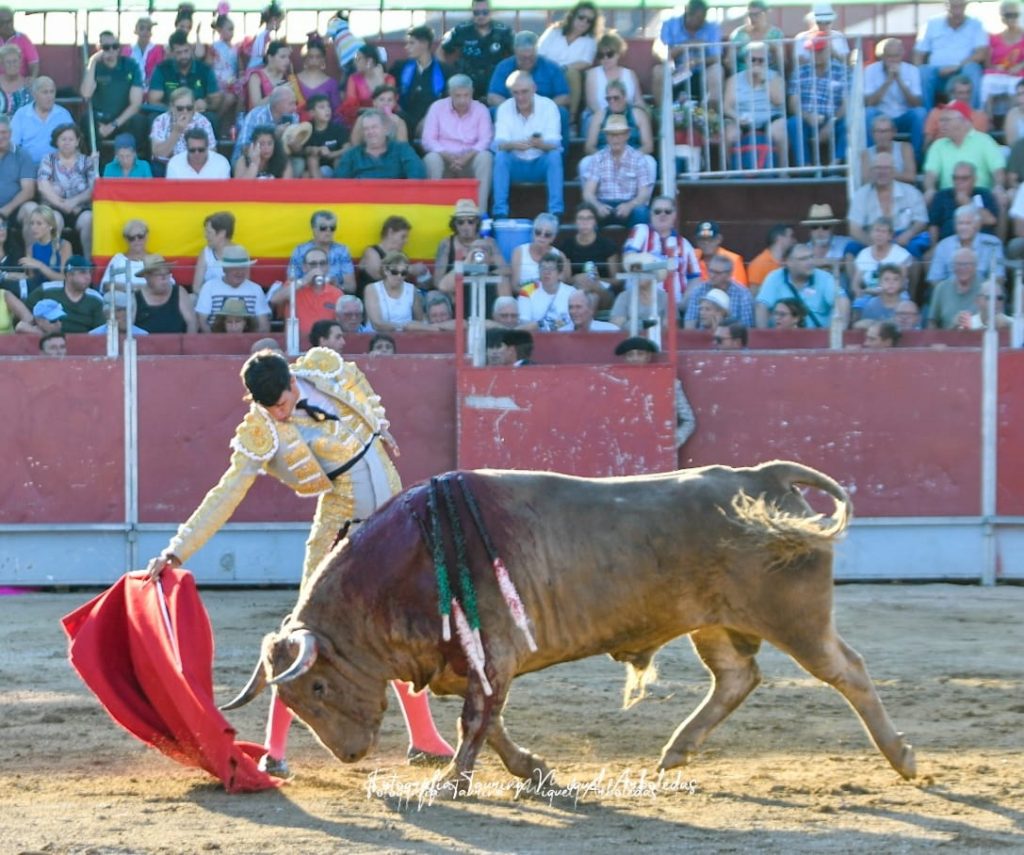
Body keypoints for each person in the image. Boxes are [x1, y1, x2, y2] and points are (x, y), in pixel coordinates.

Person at [145, 346, 454, 777]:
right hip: (340, 532)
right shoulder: (261, 430)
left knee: (394, 630)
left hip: (392, 522)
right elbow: (226, 493)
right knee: (303, 640)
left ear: (293, 382)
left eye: (284, 404)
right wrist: (177, 549)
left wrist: (379, 428)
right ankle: (275, 750)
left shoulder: (323, 371)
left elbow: (360, 392)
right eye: (269, 408)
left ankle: (423, 738)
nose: (280, 415)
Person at [492, 70, 563, 219]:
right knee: (500, 157)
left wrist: (540, 144)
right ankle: (500, 211)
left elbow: (556, 144)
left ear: (534, 89)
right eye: (516, 93)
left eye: (524, 92)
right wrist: (513, 145)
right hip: (515, 164)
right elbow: (498, 144)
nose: (520, 97)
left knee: (554, 157)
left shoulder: (548, 106)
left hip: (539, 164)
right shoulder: (505, 108)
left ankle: (556, 211)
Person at [421, 75, 493, 212]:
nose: (462, 100)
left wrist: (466, 157)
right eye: (457, 96)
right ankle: (432, 210)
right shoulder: (437, 107)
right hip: (445, 160)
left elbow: (486, 139)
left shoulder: (481, 109)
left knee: (486, 157)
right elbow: (428, 139)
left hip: (470, 161)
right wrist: (447, 156)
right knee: (431, 159)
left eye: (466, 95)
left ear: (472, 93)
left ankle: (481, 213)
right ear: (450, 93)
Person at [613, 335, 696, 449]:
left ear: (648, 356)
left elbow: (688, 420)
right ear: (624, 359)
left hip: (656, 446)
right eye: (630, 355)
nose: (635, 358)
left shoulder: (669, 383)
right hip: (623, 446)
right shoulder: (615, 383)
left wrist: (676, 439)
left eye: (640, 354)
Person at [847, 152, 929, 261]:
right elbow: (854, 229)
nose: (882, 172)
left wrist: (908, 234)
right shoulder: (861, 195)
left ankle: (912, 279)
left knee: (913, 249)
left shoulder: (911, 192)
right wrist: (873, 243)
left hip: (902, 235)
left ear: (894, 171)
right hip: (873, 236)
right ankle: (856, 278)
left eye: (886, 168)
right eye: (878, 168)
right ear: (871, 172)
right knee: (850, 250)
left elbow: (921, 221)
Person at [622, 196, 701, 305]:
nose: (662, 215)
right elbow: (629, 262)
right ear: (650, 214)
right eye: (657, 211)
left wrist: (684, 302)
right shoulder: (641, 231)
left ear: (674, 215)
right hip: (641, 301)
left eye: (667, 211)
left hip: (675, 305)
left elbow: (694, 278)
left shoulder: (685, 244)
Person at [580, 113, 653, 229]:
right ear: (606, 136)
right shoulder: (598, 158)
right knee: (587, 212)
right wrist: (598, 206)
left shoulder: (638, 158)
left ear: (627, 135)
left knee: (642, 213)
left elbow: (643, 194)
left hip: (629, 204)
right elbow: (588, 193)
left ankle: (636, 245)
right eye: (611, 135)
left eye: (619, 134)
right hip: (604, 204)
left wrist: (630, 205)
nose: (615, 139)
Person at [787, 33, 848, 168]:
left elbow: (846, 103)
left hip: (834, 119)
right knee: (793, 123)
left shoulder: (842, 71)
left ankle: (836, 165)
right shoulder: (800, 71)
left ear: (829, 50)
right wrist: (808, 116)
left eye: (820, 50)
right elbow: (793, 103)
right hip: (807, 118)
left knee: (848, 123)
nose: (816, 54)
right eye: (813, 50)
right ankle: (806, 166)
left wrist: (830, 124)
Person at [721, 39, 786, 167]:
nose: (757, 63)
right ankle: (730, 171)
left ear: (768, 62)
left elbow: (779, 101)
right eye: (753, 60)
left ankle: (782, 170)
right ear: (746, 61)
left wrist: (763, 80)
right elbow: (726, 107)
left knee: (779, 130)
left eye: (761, 60)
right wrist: (737, 118)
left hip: (771, 118)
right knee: (729, 134)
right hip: (741, 118)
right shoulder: (734, 79)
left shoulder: (775, 77)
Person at [913, 0, 988, 110]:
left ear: (965, 6)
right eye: (954, 6)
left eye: (960, 6)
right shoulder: (932, 23)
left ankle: (972, 115)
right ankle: (926, 118)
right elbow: (918, 53)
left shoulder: (976, 24)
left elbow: (981, 54)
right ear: (946, 6)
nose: (957, 11)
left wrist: (958, 66)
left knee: (973, 68)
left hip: (962, 70)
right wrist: (917, 70)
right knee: (923, 72)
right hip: (937, 72)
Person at [36, 123, 95, 257]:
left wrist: (73, 203)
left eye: (71, 139)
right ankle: (53, 264)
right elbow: (42, 186)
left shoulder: (87, 161)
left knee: (89, 219)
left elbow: (93, 188)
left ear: (77, 141)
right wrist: (62, 204)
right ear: (56, 141)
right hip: (54, 207)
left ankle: (89, 264)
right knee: (53, 220)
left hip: (80, 209)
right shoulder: (48, 159)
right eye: (63, 139)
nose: (67, 143)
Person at [755, 243, 847, 329]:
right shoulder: (775, 277)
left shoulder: (824, 278)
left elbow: (842, 300)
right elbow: (761, 306)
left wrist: (838, 336)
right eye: (803, 259)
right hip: (783, 338)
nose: (810, 262)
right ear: (789, 262)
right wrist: (764, 336)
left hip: (818, 339)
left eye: (811, 257)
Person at [80, 31, 145, 149]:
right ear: (99, 48)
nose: (111, 50)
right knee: (86, 120)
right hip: (100, 120)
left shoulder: (130, 65)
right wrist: (93, 61)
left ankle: (136, 163)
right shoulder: (93, 66)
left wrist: (113, 125)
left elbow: (136, 104)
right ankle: (95, 163)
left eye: (115, 46)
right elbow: (86, 94)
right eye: (106, 47)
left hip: (123, 119)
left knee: (140, 121)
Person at [653, 0, 723, 107]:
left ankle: (711, 117)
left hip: (701, 72)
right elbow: (662, 53)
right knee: (658, 71)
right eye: (698, 18)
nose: (702, 22)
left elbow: (717, 57)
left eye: (703, 18)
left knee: (717, 70)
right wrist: (686, 45)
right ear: (687, 13)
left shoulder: (712, 28)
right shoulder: (670, 24)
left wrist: (697, 61)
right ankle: (663, 116)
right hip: (676, 71)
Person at [537, 2, 600, 121]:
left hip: (567, 74)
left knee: (573, 73)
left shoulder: (590, 40)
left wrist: (563, 68)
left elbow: (586, 62)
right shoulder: (554, 32)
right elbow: (539, 53)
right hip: (546, 71)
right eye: (581, 17)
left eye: (589, 20)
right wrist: (552, 69)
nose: (584, 22)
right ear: (573, 16)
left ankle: (572, 119)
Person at [439, 0, 513, 102]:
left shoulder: (503, 31)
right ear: (472, 12)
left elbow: (517, 53)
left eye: (485, 12)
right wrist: (448, 72)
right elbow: (441, 50)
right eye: (476, 13)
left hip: (494, 80)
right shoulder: (461, 30)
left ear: (491, 12)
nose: (481, 16)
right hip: (467, 80)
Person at [195, 244, 272, 333]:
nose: (239, 272)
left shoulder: (256, 289)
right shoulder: (209, 287)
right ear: (224, 269)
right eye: (234, 268)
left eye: (243, 268)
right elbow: (201, 321)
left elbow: (264, 325)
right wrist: (214, 341)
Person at [270, 245, 345, 336]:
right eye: (313, 264)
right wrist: (304, 281)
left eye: (322, 263)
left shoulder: (336, 293)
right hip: (298, 342)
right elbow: (274, 299)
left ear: (327, 267)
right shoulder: (293, 286)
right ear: (304, 267)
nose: (318, 268)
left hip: (325, 344)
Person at [487, 30, 570, 111]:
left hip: (543, 111)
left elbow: (564, 96)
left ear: (536, 51)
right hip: (512, 110)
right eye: (523, 57)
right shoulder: (503, 67)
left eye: (531, 57)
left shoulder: (552, 67)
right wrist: (513, 109)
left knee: (562, 112)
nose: (527, 60)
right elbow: (493, 96)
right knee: (494, 111)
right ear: (515, 52)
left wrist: (542, 109)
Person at [390, 25, 451, 137]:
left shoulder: (445, 70)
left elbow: (447, 101)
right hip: (404, 122)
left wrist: (429, 118)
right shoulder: (400, 67)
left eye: (411, 43)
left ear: (424, 44)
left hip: (435, 123)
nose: (406, 47)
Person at [557, 202, 621, 303]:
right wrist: (576, 278)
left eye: (589, 218)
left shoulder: (607, 244)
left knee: (592, 293)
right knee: (586, 294)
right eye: (581, 218)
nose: (584, 222)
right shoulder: (567, 245)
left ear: (595, 221)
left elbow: (617, 281)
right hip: (576, 290)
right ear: (575, 222)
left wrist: (598, 280)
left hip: (602, 291)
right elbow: (566, 279)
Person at [927, 205, 1004, 289]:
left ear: (977, 226)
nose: (963, 228)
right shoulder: (944, 245)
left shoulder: (993, 243)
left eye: (968, 223)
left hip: (982, 294)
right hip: (951, 293)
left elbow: (998, 277)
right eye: (960, 223)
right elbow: (934, 278)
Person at [334, 110, 425, 180]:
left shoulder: (402, 150)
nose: (370, 132)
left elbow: (417, 176)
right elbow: (339, 184)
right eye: (366, 129)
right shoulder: (352, 155)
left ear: (385, 129)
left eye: (374, 127)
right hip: (363, 201)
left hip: (395, 200)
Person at [24, 255, 104, 333]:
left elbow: (101, 332)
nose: (88, 277)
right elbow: (25, 316)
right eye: (83, 272)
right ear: (69, 275)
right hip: (49, 341)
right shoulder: (46, 290)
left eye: (90, 272)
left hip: (85, 343)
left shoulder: (96, 299)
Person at [149, 30, 220, 116]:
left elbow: (216, 100)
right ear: (172, 53)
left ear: (191, 49)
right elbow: (154, 100)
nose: (183, 56)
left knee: (212, 118)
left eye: (186, 51)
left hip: (198, 114)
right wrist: (177, 110)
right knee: (153, 117)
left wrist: (205, 104)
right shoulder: (162, 69)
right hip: (169, 114)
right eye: (179, 53)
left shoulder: (205, 70)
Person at [149, 87, 217, 175]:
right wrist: (176, 131)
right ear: (172, 107)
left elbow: (212, 151)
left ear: (194, 107)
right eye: (180, 108)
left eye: (189, 108)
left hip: (195, 166)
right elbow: (159, 153)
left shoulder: (203, 122)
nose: (185, 112)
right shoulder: (160, 121)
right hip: (165, 166)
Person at [928, 160, 999, 244]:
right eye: (956, 178)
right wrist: (934, 246)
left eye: (964, 178)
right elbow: (934, 225)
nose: (959, 182)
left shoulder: (983, 194)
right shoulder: (942, 196)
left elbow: (991, 220)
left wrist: (969, 203)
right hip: (948, 243)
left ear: (974, 179)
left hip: (979, 243)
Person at [287, 210, 356, 294]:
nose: (328, 231)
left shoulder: (342, 251)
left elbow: (351, 287)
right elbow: (290, 285)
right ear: (313, 229)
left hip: (334, 297)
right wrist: (307, 280)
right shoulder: (300, 251)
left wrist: (336, 285)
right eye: (323, 228)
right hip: (306, 296)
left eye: (332, 228)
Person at [584, 30, 643, 128]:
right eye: (601, 55)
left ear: (618, 54)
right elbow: (592, 104)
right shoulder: (592, 74)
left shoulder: (630, 74)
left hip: (627, 118)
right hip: (599, 118)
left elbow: (638, 101)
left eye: (610, 54)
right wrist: (612, 120)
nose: (605, 58)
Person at [357, 215, 430, 294]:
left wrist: (423, 276)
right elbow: (377, 274)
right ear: (390, 232)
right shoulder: (371, 251)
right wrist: (410, 270)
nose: (406, 241)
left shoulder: (402, 256)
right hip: (373, 299)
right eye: (403, 236)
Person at [10, 77, 72, 165]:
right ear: (34, 95)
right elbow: (12, 145)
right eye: (45, 92)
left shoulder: (63, 114)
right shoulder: (21, 114)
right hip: (28, 166)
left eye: (52, 92)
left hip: (57, 166)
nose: (49, 97)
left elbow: (73, 144)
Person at [363, 251, 431, 332]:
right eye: (395, 272)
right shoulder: (372, 289)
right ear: (385, 270)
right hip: (377, 337)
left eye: (403, 273)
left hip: (406, 338)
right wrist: (405, 327)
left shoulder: (411, 289)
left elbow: (420, 320)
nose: (399, 276)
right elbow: (376, 324)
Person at [849, 218, 912, 304]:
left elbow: (902, 284)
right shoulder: (863, 254)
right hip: (869, 297)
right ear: (871, 233)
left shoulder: (901, 255)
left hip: (896, 296)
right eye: (877, 231)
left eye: (883, 232)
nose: (879, 235)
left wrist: (881, 291)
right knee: (858, 304)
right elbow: (855, 284)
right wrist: (859, 293)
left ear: (890, 236)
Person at [584, 78, 654, 155]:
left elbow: (648, 146)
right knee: (584, 163)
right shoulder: (599, 115)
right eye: (608, 98)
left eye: (616, 98)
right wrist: (602, 158)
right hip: (604, 155)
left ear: (624, 97)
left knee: (651, 163)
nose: (612, 101)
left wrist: (630, 157)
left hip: (633, 155)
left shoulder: (638, 114)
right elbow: (589, 146)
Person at [683, 254, 755, 328]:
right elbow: (690, 323)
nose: (712, 275)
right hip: (701, 337)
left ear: (728, 275)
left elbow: (747, 327)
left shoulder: (743, 295)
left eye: (717, 273)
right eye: (711, 271)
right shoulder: (698, 290)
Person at [134, 254, 197, 334]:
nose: (164, 278)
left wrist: (189, 343)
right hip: (146, 345)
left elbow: (192, 322)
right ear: (147, 276)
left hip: (178, 344)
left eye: (166, 273)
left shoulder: (179, 292)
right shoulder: (136, 298)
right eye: (158, 274)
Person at [517, 251, 577, 331]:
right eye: (543, 268)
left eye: (551, 269)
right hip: (537, 338)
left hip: (566, 338)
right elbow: (524, 324)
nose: (546, 272)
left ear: (559, 274)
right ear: (538, 271)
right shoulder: (526, 291)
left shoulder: (572, 293)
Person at [980, 1, 1024, 112]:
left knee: (1015, 84)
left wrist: (1020, 65)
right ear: (1002, 17)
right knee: (987, 82)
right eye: (1008, 15)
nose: (1012, 18)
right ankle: (987, 120)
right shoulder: (994, 38)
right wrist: (996, 67)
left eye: (1015, 15)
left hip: (1019, 74)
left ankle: (1012, 119)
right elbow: (987, 63)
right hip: (999, 73)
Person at [610, 251, 669, 332]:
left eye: (643, 271)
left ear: (653, 273)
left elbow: (670, 328)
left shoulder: (666, 298)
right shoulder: (624, 296)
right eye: (635, 271)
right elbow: (616, 327)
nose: (638, 274)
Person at [510, 212, 570, 289]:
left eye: (547, 234)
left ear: (553, 238)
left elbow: (561, 285)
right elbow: (515, 287)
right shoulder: (519, 252)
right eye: (538, 232)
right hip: (526, 297)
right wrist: (534, 292)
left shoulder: (559, 255)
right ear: (532, 233)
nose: (542, 236)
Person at [923, 76, 990, 145]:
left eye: (968, 92)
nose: (965, 96)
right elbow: (927, 143)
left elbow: (981, 144)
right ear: (951, 94)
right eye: (961, 93)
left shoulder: (980, 117)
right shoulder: (936, 113)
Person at [340, 43, 394, 128]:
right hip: (361, 121)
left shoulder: (389, 79)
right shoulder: (354, 79)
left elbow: (389, 103)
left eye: (358, 59)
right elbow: (351, 108)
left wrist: (380, 81)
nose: (355, 62)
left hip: (385, 119)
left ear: (369, 61)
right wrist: (373, 111)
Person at [19, 205, 70, 294]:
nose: (34, 227)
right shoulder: (30, 249)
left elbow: (65, 279)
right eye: (32, 223)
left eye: (39, 223)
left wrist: (40, 266)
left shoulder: (64, 245)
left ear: (50, 226)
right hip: (39, 293)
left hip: (59, 293)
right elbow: (32, 280)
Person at [927, 246, 981, 328]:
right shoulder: (941, 288)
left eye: (967, 264)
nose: (963, 268)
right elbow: (932, 322)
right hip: (947, 338)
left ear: (975, 266)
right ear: (952, 267)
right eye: (958, 264)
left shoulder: (985, 287)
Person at [861, 111, 919, 188]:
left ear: (893, 132)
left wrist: (881, 173)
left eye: (885, 131)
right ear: (872, 134)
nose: (882, 135)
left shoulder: (904, 148)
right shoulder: (866, 153)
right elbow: (866, 181)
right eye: (878, 131)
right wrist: (893, 173)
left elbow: (911, 177)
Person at [99, 218, 156, 290]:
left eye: (140, 236)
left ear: (146, 236)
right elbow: (105, 285)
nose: (136, 240)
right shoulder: (118, 259)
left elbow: (169, 284)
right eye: (131, 238)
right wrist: (135, 288)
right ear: (126, 240)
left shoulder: (155, 259)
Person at [728, 0, 784, 72]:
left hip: (769, 75)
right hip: (742, 74)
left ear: (766, 14)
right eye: (750, 14)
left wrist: (776, 50)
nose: (753, 18)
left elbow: (783, 64)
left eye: (757, 14)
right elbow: (728, 63)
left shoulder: (776, 34)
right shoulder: (738, 34)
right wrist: (734, 50)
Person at [0, 113, 34, 232]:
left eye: (4, 132)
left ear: (10, 133)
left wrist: (4, 211)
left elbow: (28, 191)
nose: (1, 136)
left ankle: (30, 251)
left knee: (31, 210)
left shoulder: (22, 155)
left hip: (15, 209)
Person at [292, 34, 337, 122]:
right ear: (305, 59)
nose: (314, 60)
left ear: (323, 59)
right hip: (298, 127)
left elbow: (336, 110)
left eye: (318, 57)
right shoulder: (294, 80)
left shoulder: (331, 83)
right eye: (311, 57)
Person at [303, 93, 348, 178]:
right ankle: (319, 188)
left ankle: (339, 188)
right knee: (311, 160)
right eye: (322, 107)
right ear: (312, 113)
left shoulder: (337, 128)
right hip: (315, 168)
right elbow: (303, 149)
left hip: (334, 165)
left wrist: (332, 154)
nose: (327, 110)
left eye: (328, 106)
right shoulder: (307, 129)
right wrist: (317, 150)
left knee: (338, 160)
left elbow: (348, 147)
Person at [692, 220, 748, 286]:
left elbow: (740, 289)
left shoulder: (733, 259)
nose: (706, 243)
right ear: (696, 241)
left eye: (710, 239)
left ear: (719, 239)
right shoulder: (691, 256)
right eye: (702, 239)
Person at [853, 263, 908, 327]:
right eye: (886, 279)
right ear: (880, 283)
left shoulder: (907, 306)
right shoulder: (871, 306)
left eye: (895, 279)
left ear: (901, 283)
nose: (891, 283)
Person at [193, 211, 235, 294]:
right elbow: (196, 287)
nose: (205, 236)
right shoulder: (205, 253)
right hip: (208, 298)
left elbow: (244, 286)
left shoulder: (240, 253)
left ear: (222, 234)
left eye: (209, 232)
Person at [165, 126, 230, 179]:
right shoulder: (174, 164)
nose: (197, 153)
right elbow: (172, 193)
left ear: (207, 147)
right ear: (187, 148)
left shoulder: (221, 164)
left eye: (201, 150)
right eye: (192, 150)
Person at [247, 38, 291, 112]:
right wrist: (277, 93)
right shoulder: (256, 77)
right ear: (270, 57)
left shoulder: (287, 76)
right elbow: (256, 107)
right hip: (260, 120)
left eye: (288, 57)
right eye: (282, 57)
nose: (287, 61)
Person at [747, 223, 794, 291]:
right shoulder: (759, 264)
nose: (794, 240)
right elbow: (754, 295)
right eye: (791, 236)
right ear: (780, 238)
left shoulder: (789, 262)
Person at [124, 16, 163, 89]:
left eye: (148, 29)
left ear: (151, 33)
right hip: (132, 88)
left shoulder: (157, 50)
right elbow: (125, 72)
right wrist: (131, 80)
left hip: (152, 89)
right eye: (142, 28)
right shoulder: (127, 50)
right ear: (135, 31)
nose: (145, 32)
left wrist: (150, 80)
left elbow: (159, 71)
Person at [245, 2, 285, 72]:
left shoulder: (263, 34)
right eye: (280, 22)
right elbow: (263, 56)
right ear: (274, 20)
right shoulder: (264, 36)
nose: (280, 25)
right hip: (256, 69)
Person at [0, 44, 30, 115]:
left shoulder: (29, 85)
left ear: (20, 62)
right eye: (8, 62)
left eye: (15, 61)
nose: (12, 65)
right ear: (2, 64)